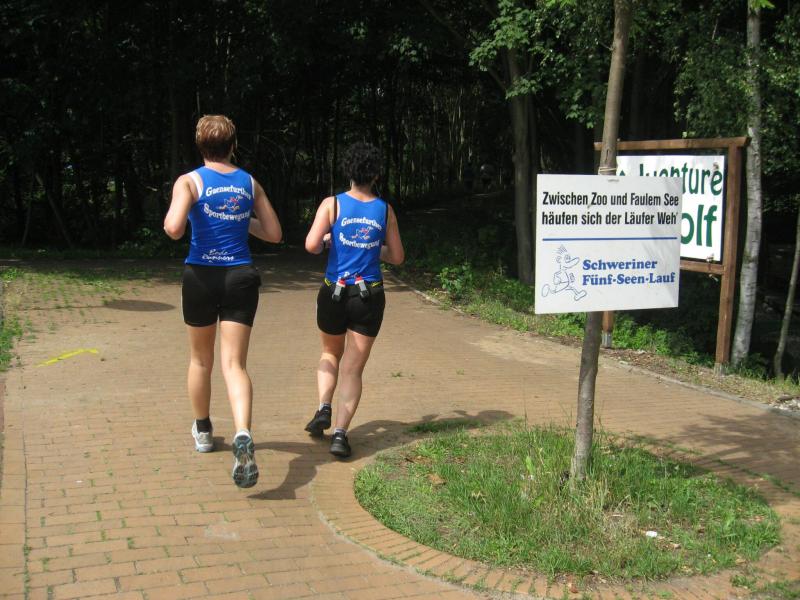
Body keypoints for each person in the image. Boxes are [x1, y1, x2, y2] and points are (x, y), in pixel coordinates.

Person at [163, 114, 282, 488]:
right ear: (233, 145)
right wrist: (241, 220)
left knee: (201, 359)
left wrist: (193, 211)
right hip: (240, 277)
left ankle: (203, 432)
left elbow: (173, 228)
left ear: (200, 145)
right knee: (235, 364)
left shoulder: (189, 181)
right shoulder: (249, 183)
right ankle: (243, 430)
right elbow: (274, 233)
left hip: (200, 276)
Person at [303, 142, 404, 457]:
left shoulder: (331, 204)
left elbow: (311, 246)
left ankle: (324, 407)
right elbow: (397, 257)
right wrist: (372, 249)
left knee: (329, 353)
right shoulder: (385, 210)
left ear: (348, 170)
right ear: (376, 175)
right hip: (368, 296)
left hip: (333, 292)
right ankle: (340, 435)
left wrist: (329, 241)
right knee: (353, 369)